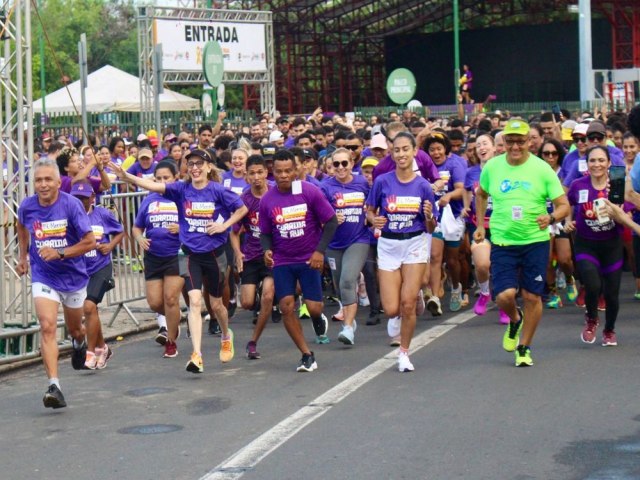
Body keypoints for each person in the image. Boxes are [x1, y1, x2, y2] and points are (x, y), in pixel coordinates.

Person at [108, 149, 248, 374]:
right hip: (189, 253)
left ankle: (225, 335)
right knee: (193, 301)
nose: (195, 168)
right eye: (191, 164)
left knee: (216, 305)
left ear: (208, 167)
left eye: (199, 164)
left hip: (213, 254)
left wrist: (223, 225)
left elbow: (242, 209)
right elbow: (154, 187)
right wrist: (127, 177)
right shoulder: (182, 189)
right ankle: (197, 355)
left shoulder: (219, 191)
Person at [474, 119, 570, 367]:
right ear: (503, 142)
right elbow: (481, 194)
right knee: (504, 295)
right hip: (503, 241)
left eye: (520, 141)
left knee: (531, 296)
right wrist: (480, 226)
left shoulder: (541, 169)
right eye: (510, 141)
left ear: (529, 142)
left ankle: (524, 347)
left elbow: (563, 206)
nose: (515, 146)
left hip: (535, 242)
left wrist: (549, 217)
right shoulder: (492, 167)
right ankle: (515, 320)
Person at [17, 158, 96, 409]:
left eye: (48, 179)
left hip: (72, 276)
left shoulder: (71, 205)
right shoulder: (27, 207)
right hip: (44, 275)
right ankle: (54, 386)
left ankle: (79, 343)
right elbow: (21, 227)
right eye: (38, 180)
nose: (43, 185)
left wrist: (61, 253)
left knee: (75, 329)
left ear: (57, 182)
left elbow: (90, 241)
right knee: (48, 325)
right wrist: (23, 257)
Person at [258, 149, 338, 372]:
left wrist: (320, 251)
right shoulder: (267, 200)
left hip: (309, 259)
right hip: (283, 260)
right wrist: (267, 250)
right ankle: (306, 353)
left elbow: (331, 221)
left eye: (288, 171)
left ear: (296, 171)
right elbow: (265, 232)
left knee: (314, 307)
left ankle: (317, 318)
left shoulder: (309, 191)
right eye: (279, 171)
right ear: (272, 172)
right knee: (286, 306)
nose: (283, 175)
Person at [366, 132, 436, 372]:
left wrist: (428, 217)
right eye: (397, 150)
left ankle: (404, 353)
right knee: (392, 309)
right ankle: (414, 295)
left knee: (406, 305)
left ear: (415, 151)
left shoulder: (423, 186)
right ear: (391, 153)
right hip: (388, 245)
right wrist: (373, 220)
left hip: (414, 243)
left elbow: (431, 226)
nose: (402, 154)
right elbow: (370, 211)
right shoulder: (382, 182)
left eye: (406, 149)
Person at [565, 146, 623, 346]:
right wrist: (567, 220)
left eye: (601, 160)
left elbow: (626, 212)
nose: (597, 164)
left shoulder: (616, 185)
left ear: (608, 163)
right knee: (592, 284)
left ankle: (609, 330)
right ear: (587, 164)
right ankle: (591, 319)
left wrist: (620, 210)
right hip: (586, 245)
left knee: (611, 294)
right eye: (592, 160)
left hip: (612, 246)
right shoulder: (578, 185)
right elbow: (566, 203)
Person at [132, 161, 184, 358]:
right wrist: (139, 238)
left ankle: (171, 342)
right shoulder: (149, 200)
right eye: (159, 178)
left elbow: (194, 222)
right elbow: (137, 227)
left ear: (175, 178)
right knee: (155, 303)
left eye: (166, 178)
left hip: (178, 254)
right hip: (153, 255)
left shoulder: (181, 197)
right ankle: (174, 319)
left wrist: (182, 228)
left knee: (171, 298)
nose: (162, 181)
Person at [320, 148, 371, 345]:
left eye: (344, 163)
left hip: (359, 239)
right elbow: (318, 215)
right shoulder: (325, 187)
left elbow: (373, 205)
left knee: (348, 280)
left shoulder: (362, 183)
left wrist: (371, 216)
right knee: (340, 285)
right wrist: (330, 217)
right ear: (330, 166)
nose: (340, 168)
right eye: (336, 164)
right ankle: (350, 314)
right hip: (333, 243)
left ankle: (348, 327)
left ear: (351, 163)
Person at [71, 181, 123, 369]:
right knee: (91, 311)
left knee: (89, 306)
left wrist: (109, 246)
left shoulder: (102, 214)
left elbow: (120, 232)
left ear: (93, 198)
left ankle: (90, 353)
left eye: (85, 198)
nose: (81, 201)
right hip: (79, 270)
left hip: (100, 266)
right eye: (77, 198)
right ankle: (103, 347)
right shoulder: (70, 217)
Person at [230, 155, 275, 359]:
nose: (256, 177)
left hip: (274, 254)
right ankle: (266, 303)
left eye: (260, 172)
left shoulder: (276, 192)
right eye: (252, 173)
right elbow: (234, 232)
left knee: (267, 295)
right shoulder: (244, 200)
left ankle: (254, 341)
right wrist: (238, 252)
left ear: (266, 173)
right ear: (246, 176)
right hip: (251, 254)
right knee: (247, 303)